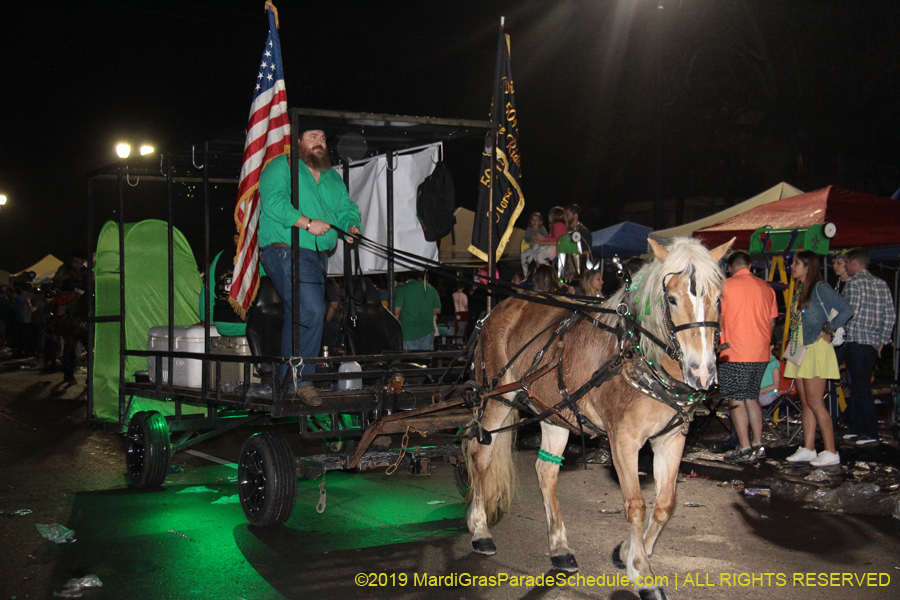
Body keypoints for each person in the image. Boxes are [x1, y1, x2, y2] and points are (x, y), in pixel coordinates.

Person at [258, 126, 362, 407]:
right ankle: (301, 380)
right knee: (312, 309)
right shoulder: (281, 166)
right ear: (298, 141)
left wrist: (352, 225)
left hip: (317, 255)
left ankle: (286, 381)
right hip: (285, 249)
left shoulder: (331, 177)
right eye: (313, 136)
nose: (320, 142)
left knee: (302, 312)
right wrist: (306, 222)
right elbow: (273, 203)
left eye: (323, 138)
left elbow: (346, 207)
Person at [784, 250, 853, 466]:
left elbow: (845, 309)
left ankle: (831, 451)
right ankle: (809, 448)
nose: (792, 267)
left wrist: (828, 329)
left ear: (808, 266)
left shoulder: (820, 288)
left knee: (815, 401)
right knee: (806, 402)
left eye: (796, 263)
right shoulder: (799, 290)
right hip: (800, 349)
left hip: (814, 350)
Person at [719, 251, 778, 464]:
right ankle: (757, 444)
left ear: (729, 267)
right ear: (750, 265)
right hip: (760, 353)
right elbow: (772, 323)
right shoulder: (766, 288)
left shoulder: (725, 287)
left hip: (733, 352)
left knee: (736, 400)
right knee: (751, 397)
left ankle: (743, 447)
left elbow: (719, 319)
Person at [841, 248, 895, 446]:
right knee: (858, 386)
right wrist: (882, 340)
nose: (846, 266)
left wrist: (838, 329)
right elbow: (890, 315)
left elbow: (849, 311)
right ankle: (858, 428)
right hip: (871, 344)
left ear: (854, 263)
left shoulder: (854, 283)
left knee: (861, 388)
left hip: (856, 341)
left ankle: (871, 432)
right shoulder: (881, 284)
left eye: (846, 262)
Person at [200, 234, 247, 337]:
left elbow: (208, 291)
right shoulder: (255, 256)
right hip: (248, 323)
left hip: (222, 322)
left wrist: (207, 320)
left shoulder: (220, 256)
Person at [393, 272, 441, 351]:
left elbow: (396, 312)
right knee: (425, 360)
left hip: (408, 331)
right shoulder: (430, 288)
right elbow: (437, 310)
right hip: (427, 330)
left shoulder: (402, 289)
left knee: (411, 360)